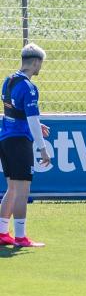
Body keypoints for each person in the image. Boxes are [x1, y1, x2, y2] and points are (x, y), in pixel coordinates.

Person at [0, 43, 51, 247]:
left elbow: (14, 112)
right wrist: (43, 150)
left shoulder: (8, 80)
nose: (41, 68)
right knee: (22, 190)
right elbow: (31, 120)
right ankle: (20, 238)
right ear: (36, 62)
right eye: (41, 64)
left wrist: (37, 124)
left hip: (5, 138)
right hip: (19, 142)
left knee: (12, 189)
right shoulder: (29, 88)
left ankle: (3, 233)